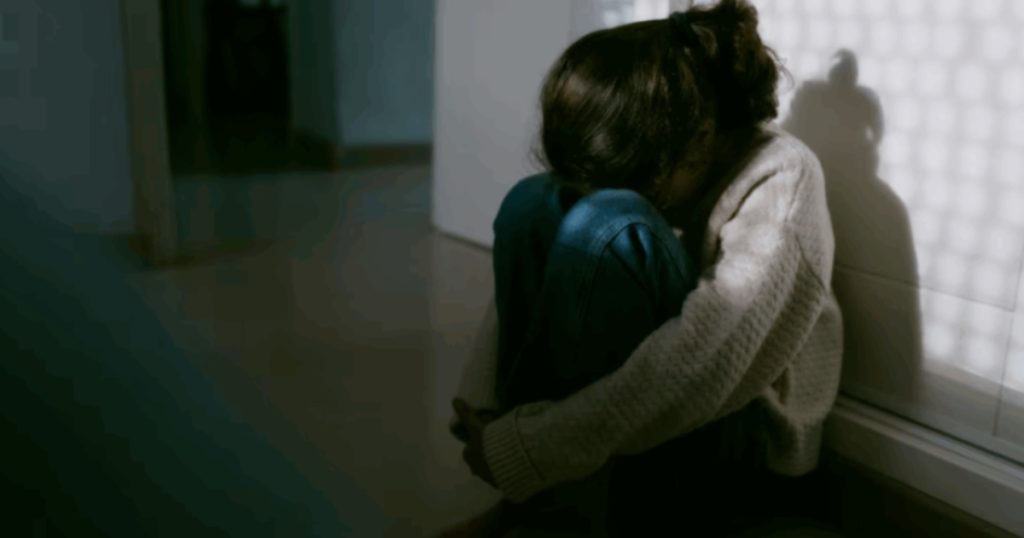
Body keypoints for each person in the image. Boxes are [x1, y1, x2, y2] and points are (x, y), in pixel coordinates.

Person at [444, 0, 842, 536]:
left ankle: (557, 513)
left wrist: (531, 448)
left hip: (738, 426)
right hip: (644, 412)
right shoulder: (678, 149)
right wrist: (487, 410)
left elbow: (702, 364)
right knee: (535, 201)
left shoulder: (783, 180)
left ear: (698, 143)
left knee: (608, 222)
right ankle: (544, 508)